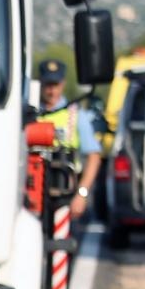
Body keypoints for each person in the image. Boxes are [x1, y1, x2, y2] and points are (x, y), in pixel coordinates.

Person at [35, 59, 104, 219]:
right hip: (33, 194)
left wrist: (82, 194)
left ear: (63, 84)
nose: (52, 91)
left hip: (65, 195)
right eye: (48, 85)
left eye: (56, 85)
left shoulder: (75, 115)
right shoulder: (31, 113)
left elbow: (94, 156)